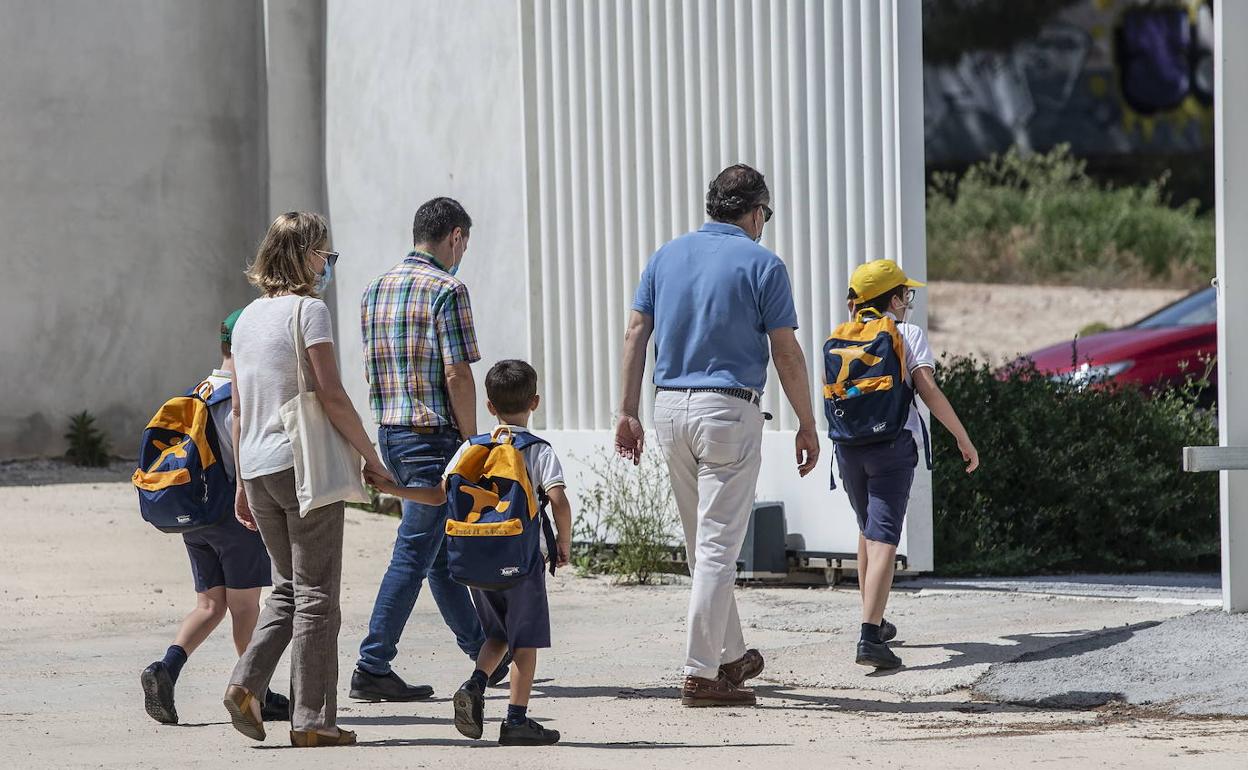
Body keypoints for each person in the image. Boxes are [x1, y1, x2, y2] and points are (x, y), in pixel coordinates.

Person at [223, 212, 439, 748]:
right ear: (305, 256)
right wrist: (371, 456)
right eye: (325, 254)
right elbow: (331, 394)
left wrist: (240, 484)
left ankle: (246, 683)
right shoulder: (309, 311)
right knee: (318, 595)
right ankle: (313, 720)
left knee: (287, 589)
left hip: (257, 466)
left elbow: (240, 410)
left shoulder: (246, 319)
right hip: (302, 465)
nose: (327, 265)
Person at [616, 164, 820, 707]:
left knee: (702, 546)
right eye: (766, 214)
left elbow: (636, 333)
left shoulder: (665, 256)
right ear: (755, 213)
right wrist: (806, 422)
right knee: (716, 550)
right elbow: (786, 352)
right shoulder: (763, 264)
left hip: (668, 409)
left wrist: (627, 411)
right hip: (727, 411)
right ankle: (701, 674)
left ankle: (730, 657)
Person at [367, 360, 571, 746]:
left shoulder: (471, 447)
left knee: (497, 634)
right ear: (535, 402)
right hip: (522, 562)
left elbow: (438, 496)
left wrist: (393, 489)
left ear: (490, 406)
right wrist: (564, 542)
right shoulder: (537, 450)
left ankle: (476, 684)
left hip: (479, 561)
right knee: (524, 642)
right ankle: (515, 721)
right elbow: (558, 500)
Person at [352, 197, 508, 703]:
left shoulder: (375, 288)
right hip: (432, 436)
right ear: (455, 237)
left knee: (437, 553)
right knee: (415, 552)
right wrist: (473, 444)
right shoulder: (448, 289)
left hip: (392, 433)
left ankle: (483, 651)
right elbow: (457, 373)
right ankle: (373, 663)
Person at [140, 310, 289, 726]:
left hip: (196, 518)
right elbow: (244, 456)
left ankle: (165, 669)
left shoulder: (199, 392)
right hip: (233, 516)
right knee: (245, 607)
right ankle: (255, 692)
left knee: (209, 605)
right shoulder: (237, 398)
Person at [832, 260, 978, 670]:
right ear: (894, 300)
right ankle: (869, 637)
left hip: (848, 446)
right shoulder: (906, 333)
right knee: (884, 538)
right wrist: (962, 437)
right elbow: (927, 389)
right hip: (892, 447)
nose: (908, 302)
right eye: (905, 295)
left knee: (868, 530)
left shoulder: (842, 336)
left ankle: (873, 620)